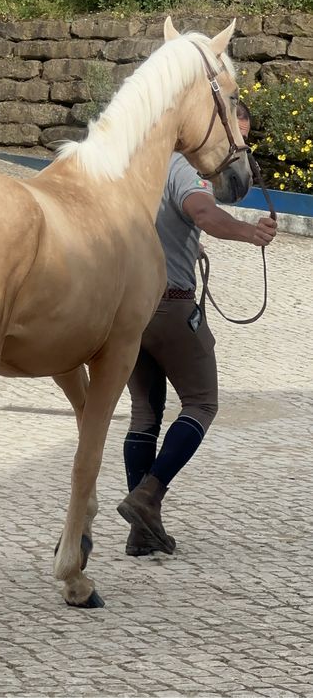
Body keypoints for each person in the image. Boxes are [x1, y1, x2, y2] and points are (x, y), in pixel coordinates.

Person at [117, 101, 277, 557]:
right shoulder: (182, 168)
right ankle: (148, 495)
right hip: (171, 306)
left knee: (145, 412)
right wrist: (251, 233)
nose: (235, 149)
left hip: (127, 310)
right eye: (234, 138)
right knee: (203, 402)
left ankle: (141, 532)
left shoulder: (133, 162)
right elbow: (204, 213)